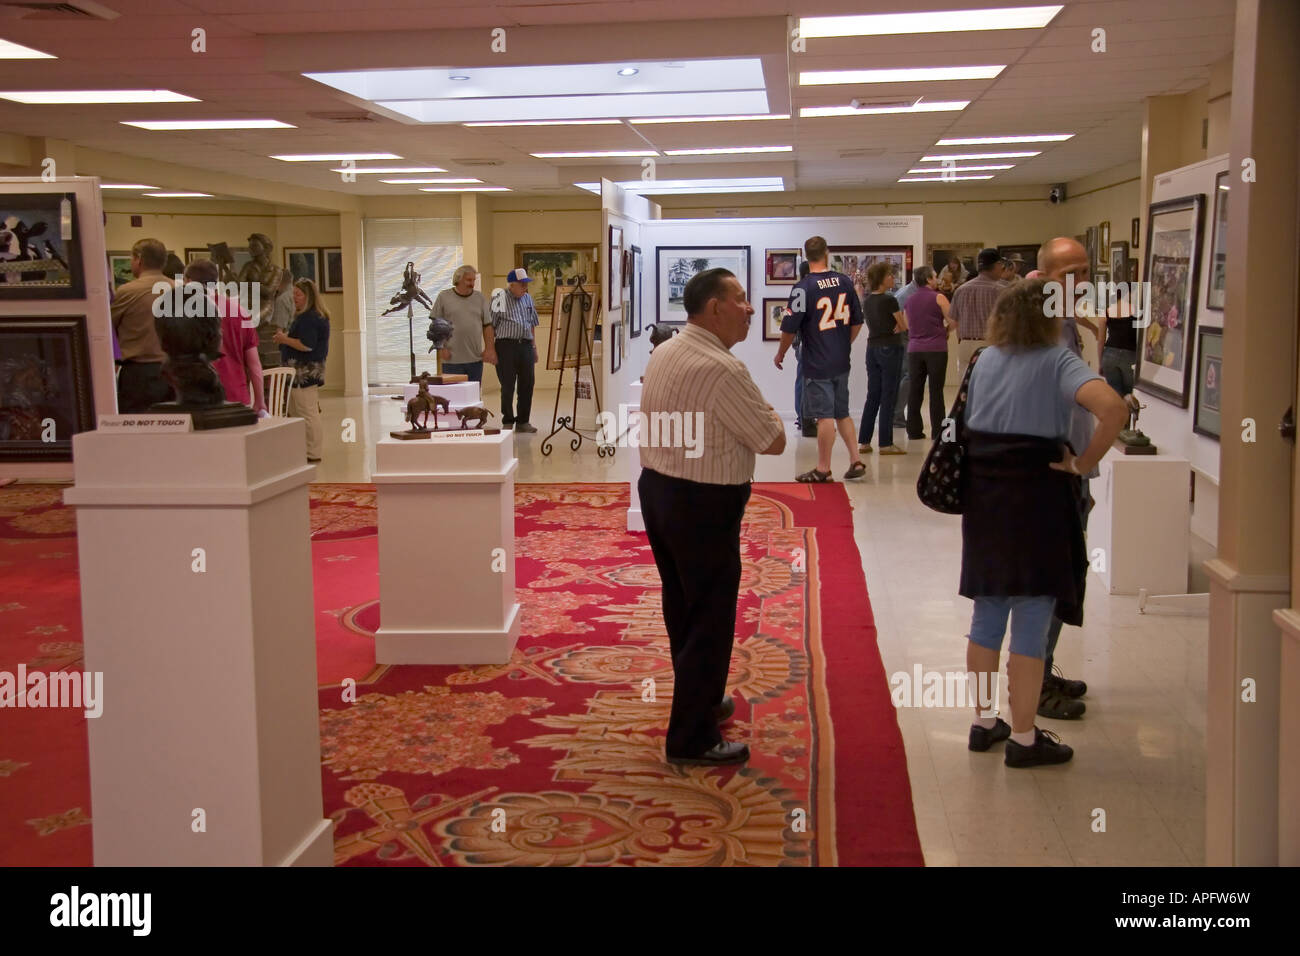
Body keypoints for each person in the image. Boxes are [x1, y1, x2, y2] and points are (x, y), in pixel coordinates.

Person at [960, 278, 1128, 767]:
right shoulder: (1058, 360)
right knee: (1032, 615)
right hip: (1038, 496)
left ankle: (984, 722)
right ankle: (1026, 738)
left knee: (987, 610)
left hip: (986, 497)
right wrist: (1081, 462)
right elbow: (1113, 408)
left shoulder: (984, 360)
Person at [639, 268, 785, 766]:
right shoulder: (725, 370)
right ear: (714, 308)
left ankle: (701, 701)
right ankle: (692, 737)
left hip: (660, 491)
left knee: (684, 606)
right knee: (711, 617)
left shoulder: (667, 349)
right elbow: (774, 440)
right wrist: (765, 411)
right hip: (703, 502)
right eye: (741, 299)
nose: (750, 309)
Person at [1034, 236, 1103, 719]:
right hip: (1056, 470)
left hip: (1072, 467)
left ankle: (1043, 667)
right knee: (1052, 579)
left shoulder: (1056, 315)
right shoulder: (1042, 326)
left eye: (1085, 270)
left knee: (1064, 576)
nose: (1080, 281)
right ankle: (1035, 682)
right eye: (1068, 272)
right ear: (1045, 276)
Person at [774, 235, 866, 482]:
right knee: (842, 412)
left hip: (817, 361)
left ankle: (823, 469)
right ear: (827, 253)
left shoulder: (802, 288)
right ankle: (855, 459)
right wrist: (844, 344)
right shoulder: (844, 282)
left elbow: (789, 326)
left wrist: (781, 352)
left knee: (824, 416)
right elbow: (857, 321)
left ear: (806, 256)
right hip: (840, 360)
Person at [184, 259, 267, 417]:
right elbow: (254, 363)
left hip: (196, 397)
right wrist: (259, 399)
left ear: (188, 281)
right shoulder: (240, 311)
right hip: (236, 394)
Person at [111, 238, 173, 412]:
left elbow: (108, 328)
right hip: (175, 372)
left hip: (139, 375)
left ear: (139, 259)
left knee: (137, 432)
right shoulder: (179, 289)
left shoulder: (127, 291)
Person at [273, 278, 331, 462]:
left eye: (298, 294)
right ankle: (303, 449)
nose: (294, 297)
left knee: (307, 412)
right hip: (297, 372)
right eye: (294, 294)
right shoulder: (305, 316)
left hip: (304, 372)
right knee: (298, 412)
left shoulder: (310, 318)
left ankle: (313, 452)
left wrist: (284, 339)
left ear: (309, 296)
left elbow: (307, 345)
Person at [857, 261, 908, 456]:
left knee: (873, 395)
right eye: (889, 275)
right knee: (888, 395)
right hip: (890, 348)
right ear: (881, 278)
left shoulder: (868, 301)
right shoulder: (890, 300)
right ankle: (886, 443)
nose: (892, 278)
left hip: (873, 349)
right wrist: (899, 325)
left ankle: (864, 441)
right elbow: (902, 325)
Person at [904, 265, 953, 443]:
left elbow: (907, 325)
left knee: (915, 390)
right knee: (936, 390)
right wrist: (946, 331)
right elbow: (953, 320)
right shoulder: (939, 297)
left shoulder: (910, 300)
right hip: (936, 349)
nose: (937, 279)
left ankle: (914, 430)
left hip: (915, 349)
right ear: (928, 279)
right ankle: (938, 431)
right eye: (934, 276)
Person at [492, 267, 540, 432]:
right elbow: (491, 325)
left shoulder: (527, 298)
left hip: (525, 345)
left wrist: (534, 347)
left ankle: (523, 421)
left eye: (526, 284)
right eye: (522, 285)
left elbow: (532, 323)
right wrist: (491, 349)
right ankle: (507, 419)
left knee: (527, 383)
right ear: (511, 285)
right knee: (507, 384)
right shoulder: (500, 298)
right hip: (506, 346)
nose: (525, 288)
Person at [237, 233, 293, 371]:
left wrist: (249, 284)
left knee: (251, 321)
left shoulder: (276, 270)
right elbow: (239, 284)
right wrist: (254, 286)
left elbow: (268, 292)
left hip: (265, 305)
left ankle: (251, 355)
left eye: (255, 246)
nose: (251, 249)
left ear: (266, 248)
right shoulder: (248, 266)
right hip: (247, 302)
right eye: (250, 246)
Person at [432, 265, 495, 382]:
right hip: (451, 360)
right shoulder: (444, 297)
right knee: (453, 397)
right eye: (469, 280)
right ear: (458, 279)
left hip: (475, 360)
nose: (472, 283)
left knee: (473, 396)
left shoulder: (479, 298)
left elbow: (487, 326)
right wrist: (441, 348)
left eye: (473, 280)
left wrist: (490, 348)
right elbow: (436, 326)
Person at [952, 248, 1006, 378]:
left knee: (966, 388)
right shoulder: (1001, 291)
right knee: (990, 385)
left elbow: (954, 320)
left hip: (965, 344)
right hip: (990, 345)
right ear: (997, 265)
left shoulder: (961, 290)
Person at [891, 268, 922, 429]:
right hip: (905, 337)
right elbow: (901, 319)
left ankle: (897, 415)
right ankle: (896, 415)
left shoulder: (908, 291)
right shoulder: (907, 294)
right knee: (908, 375)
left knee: (906, 375)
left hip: (906, 337)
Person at [792, 260, 811, 432]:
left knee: (803, 380)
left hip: (800, 343)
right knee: (805, 381)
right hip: (806, 343)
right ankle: (805, 418)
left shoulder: (798, 289)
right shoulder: (804, 291)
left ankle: (802, 417)